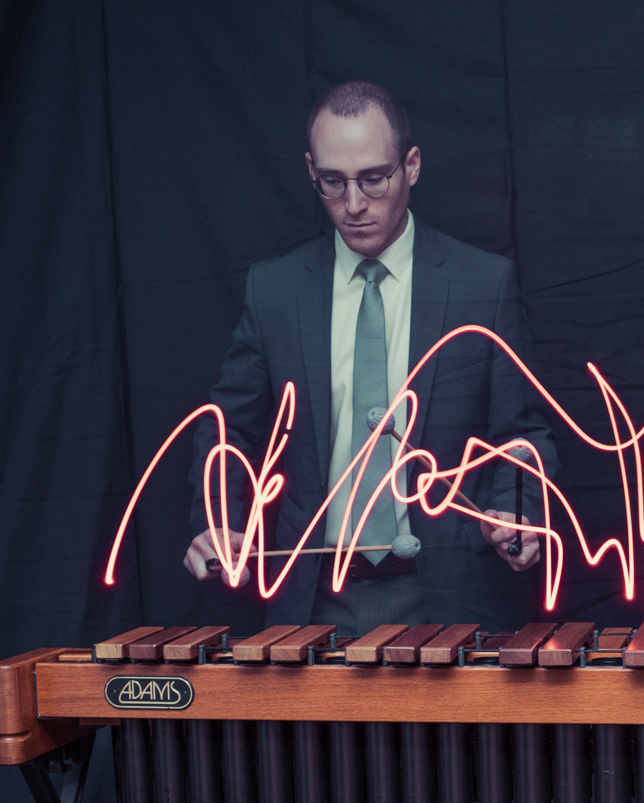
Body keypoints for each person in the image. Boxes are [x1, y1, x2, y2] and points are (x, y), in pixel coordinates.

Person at [180, 81, 556, 635]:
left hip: (453, 596)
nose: (353, 204)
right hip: (310, 596)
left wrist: (519, 510)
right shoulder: (275, 291)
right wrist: (221, 521)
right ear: (311, 170)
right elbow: (228, 431)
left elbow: (521, 433)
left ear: (412, 166)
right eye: (332, 182)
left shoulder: (483, 284)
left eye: (373, 179)